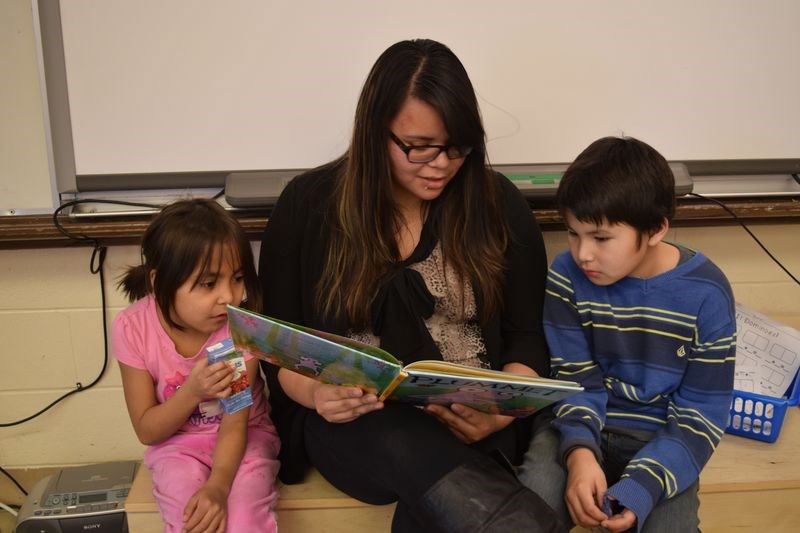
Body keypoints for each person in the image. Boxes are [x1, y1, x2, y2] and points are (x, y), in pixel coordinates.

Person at [259, 39, 563, 532]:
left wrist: (500, 415)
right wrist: (317, 395)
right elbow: (276, 347)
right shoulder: (306, 206)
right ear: (375, 132)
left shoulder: (498, 205)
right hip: (357, 428)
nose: (441, 164)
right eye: (419, 147)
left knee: (433, 508)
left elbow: (527, 335)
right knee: (399, 436)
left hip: (475, 424)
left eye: (457, 146)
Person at [517, 136, 737, 532]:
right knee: (526, 512)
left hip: (664, 436)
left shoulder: (707, 295)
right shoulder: (566, 276)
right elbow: (574, 379)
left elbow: (701, 414)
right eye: (573, 233)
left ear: (655, 229)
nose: (583, 253)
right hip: (578, 422)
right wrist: (579, 454)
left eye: (600, 238)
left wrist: (645, 484)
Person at [111, 199, 280, 533]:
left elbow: (235, 427)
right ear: (160, 283)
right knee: (193, 520)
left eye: (237, 278)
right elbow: (148, 430)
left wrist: (218, 485)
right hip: (176, 446)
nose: (228, 296)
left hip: (244, 439)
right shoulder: (132, 328)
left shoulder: (236, 330)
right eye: (208, 283)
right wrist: (192, 392)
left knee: (244, 519)